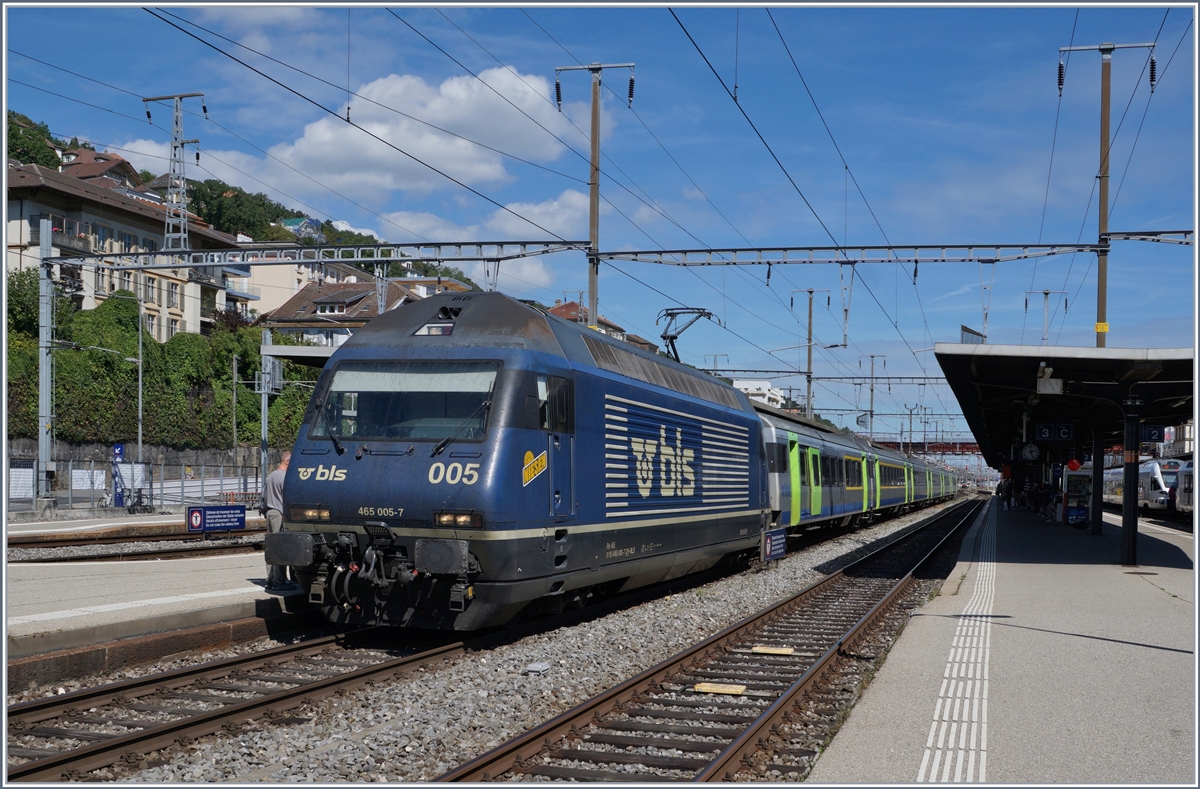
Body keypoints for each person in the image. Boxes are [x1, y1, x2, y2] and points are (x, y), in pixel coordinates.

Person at [260, 451, 293, 592]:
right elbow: (287, 498)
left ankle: (271, 579)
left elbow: (263, 498)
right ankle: (279, 581)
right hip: (279, 515)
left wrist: (264, 511)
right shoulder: (285, 477)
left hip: (270, 513)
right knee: (280, 549)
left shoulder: (271, 476)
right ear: (287, 462)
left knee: (272, 548)